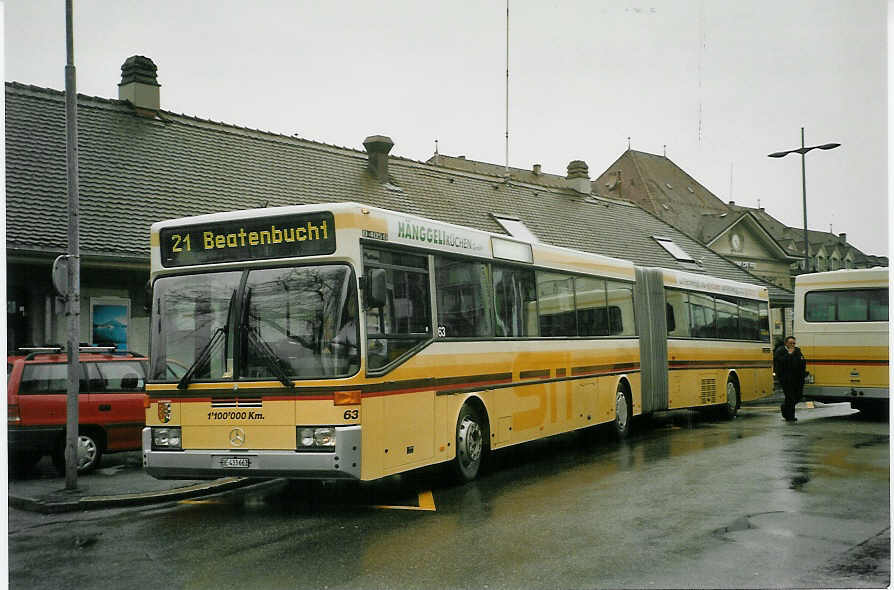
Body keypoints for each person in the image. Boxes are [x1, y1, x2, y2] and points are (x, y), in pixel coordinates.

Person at [774, 336, 807, 422]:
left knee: (798, 396)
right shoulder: (780, 351)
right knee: (790, 397)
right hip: (786, 378)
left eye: (794, 343)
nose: (792, 345)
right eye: (790, 343)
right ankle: (790, 416)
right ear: (786, 343)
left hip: (797, 378)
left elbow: (802, 361)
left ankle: (784, 407)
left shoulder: (797, 350)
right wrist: (789, 354)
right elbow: (781, 362)